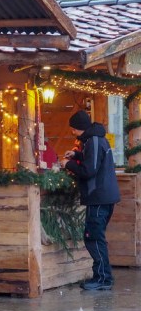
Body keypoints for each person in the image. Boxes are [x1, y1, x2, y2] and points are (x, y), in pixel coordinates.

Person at [60, 110, 120, 291]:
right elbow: (94, 161)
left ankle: (103, 278)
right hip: (103, 196)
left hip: (98, 197)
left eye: (73, 129)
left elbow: (89, 171)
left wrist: (68, 164)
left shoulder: (93, 141)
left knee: (93, 237)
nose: (72, 132)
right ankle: (102, 276)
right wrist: (77, 155)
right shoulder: (95, 139)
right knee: (96, 237)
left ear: (79, 127)